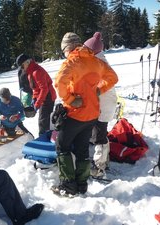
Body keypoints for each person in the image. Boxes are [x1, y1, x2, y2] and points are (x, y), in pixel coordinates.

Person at [51, 32, 118, 196]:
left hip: (76, 114)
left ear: (68, 48)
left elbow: (59, 83)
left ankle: (67, 185)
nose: (64, 53)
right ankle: (81, 184)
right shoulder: (96, 61)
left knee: (62, 146)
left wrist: (70, 98)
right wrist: (98, 90)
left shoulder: (72, 61)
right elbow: (113, 78)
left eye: (64, 50)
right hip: (93, 114)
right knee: (81, 149)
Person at [83, 32, 118, 178]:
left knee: (99, 135)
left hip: (104, 105)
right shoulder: (95, 60)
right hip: (101, 103)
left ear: (93, 50)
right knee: (99, 133)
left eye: (86, 49)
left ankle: (99, 167)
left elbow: (110, 80)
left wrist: (96, 89)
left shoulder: (99, 62)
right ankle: (103, 161)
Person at [15, 54, 56, 136]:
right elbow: (36, 89)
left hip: (48, 97)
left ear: (27, 62)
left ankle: (43, 139)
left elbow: (44, 89)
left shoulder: (37, 72)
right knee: (44, 120)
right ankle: (47, 136)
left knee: (43, 121)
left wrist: (37, 104)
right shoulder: (30, 71)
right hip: (43, 97)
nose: (22, 69)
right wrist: (34, 99)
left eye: (22, 66)